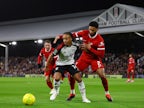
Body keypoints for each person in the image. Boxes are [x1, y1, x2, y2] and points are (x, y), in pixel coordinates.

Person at [54, 21, 113, 102]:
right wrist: (60, 36)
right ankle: (72, 92)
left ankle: (107, 93)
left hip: (95, 58)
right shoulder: (84, 33)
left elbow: (101, 54)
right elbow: (72, 35)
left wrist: (90, 48)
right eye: (89, 29)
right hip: (84, 57)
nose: (90, 31)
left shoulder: (100, 40)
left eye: (92, 30)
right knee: (72, 74)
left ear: (97, 29)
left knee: (102, 75)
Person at [46, 32, 91, 103]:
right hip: (60, 64)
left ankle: (84, 98)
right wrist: (47, 66)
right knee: (57, 78)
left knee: (79, 79)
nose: (64, 40)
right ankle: (56, 92)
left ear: (71, 39)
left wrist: (87, 48)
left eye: (66, 39)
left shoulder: (76, 45)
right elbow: (51, 55)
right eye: (63, 39)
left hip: (70, 64)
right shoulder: (60, 47)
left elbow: (85, 49)